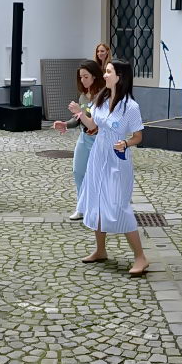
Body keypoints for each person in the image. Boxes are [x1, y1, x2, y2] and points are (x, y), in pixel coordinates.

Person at [69, 60, 149, 276]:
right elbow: (93, 126)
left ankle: (140, 257)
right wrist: (79, 114)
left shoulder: (131, 107)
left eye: (108, 72)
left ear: (119, 76)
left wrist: (126, 143)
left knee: (119, 205)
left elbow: (138, 136)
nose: (104, 75)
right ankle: (100, 250)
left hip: (117, 159)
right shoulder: (102, 99)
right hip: (98, 155)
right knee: (96, 199)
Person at [53, 60, 105, 221]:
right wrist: (66, 124)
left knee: (97, 175)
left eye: (86, 77)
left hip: (99, 139)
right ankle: (81, 207)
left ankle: (98, 207)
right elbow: (77, 118)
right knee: (78, 171)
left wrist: (80, 112)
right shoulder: (83, 96)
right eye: (81, 77)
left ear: (95, 76)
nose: (82, 80)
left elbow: (93, 122)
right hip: (84, 137)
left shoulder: (102, 96)